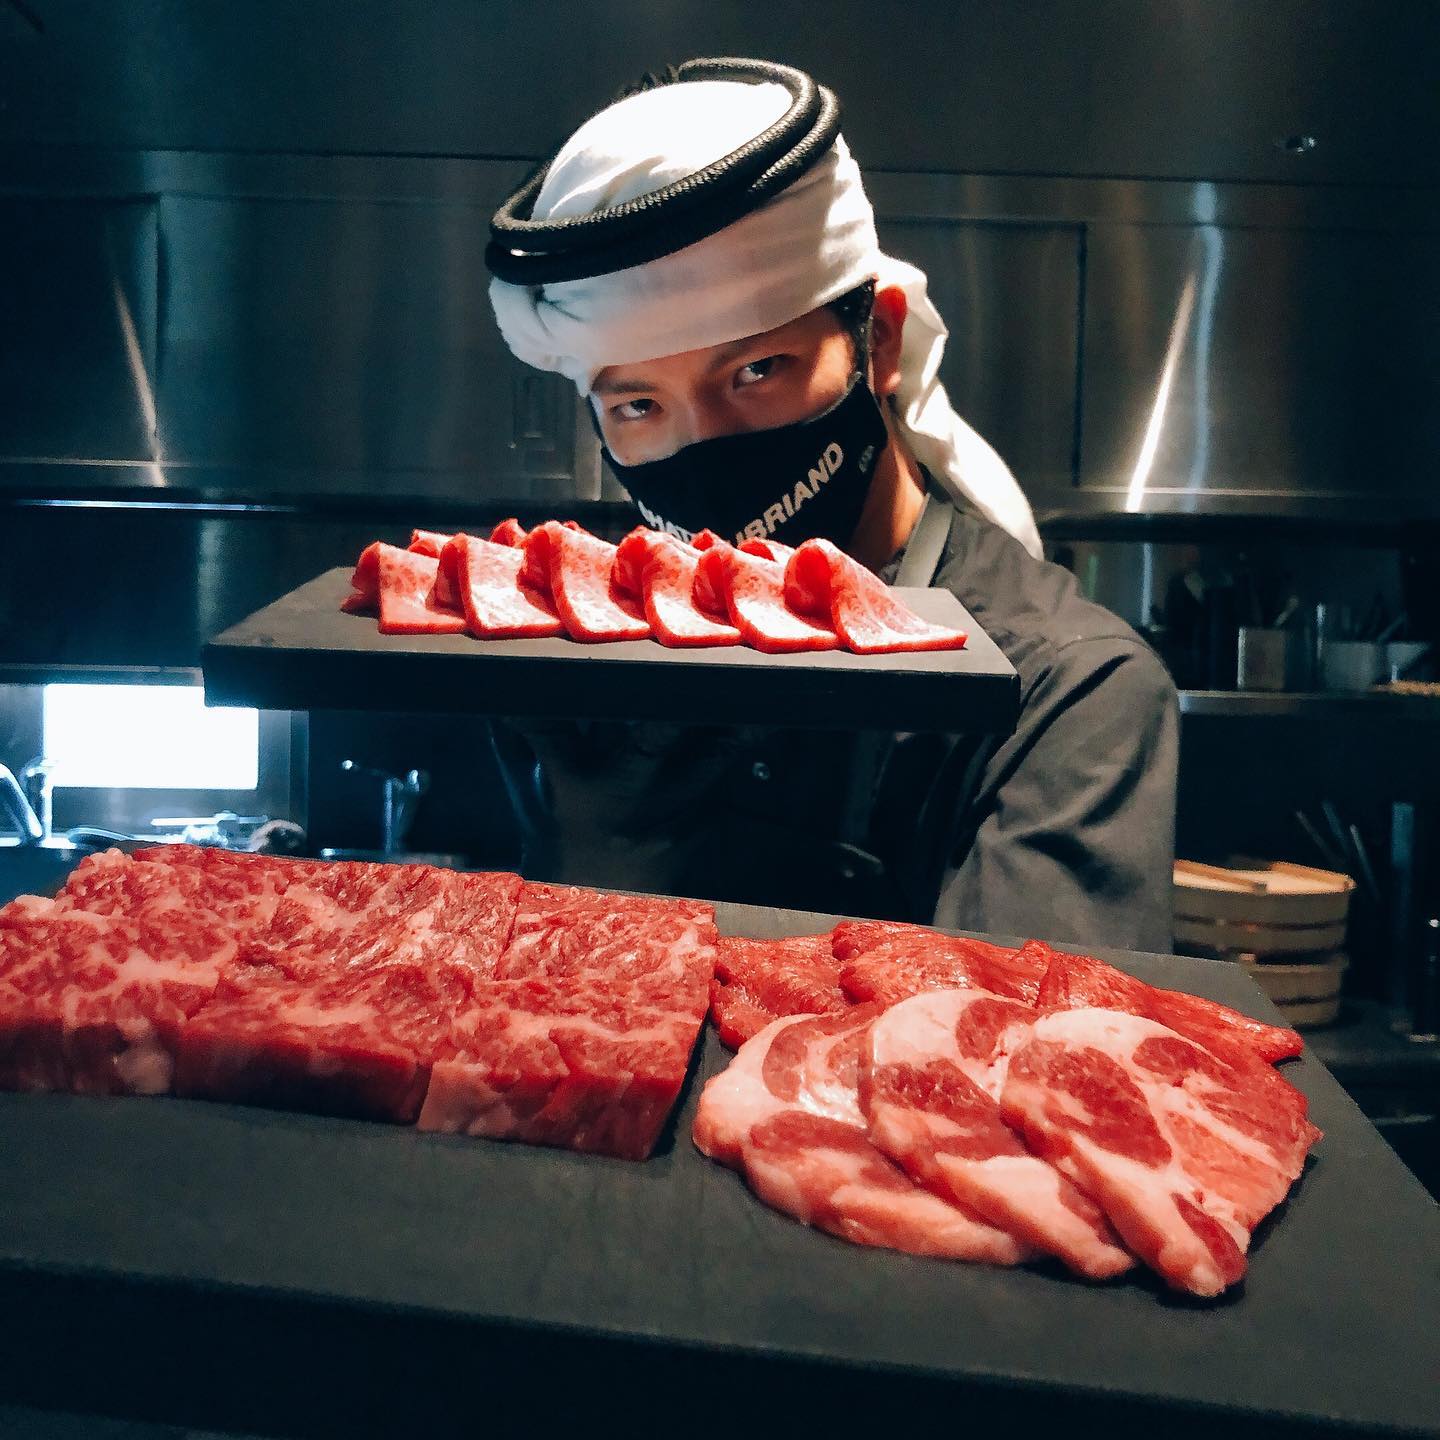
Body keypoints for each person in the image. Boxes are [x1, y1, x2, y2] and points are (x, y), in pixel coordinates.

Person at [483, 59, 1179, 953]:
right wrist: (594, 873)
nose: (704, 447)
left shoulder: (1067, 689)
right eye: (639, 405)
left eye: (756, 370)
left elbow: (1022, 1031)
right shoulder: (610, 662)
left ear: (877, 341)